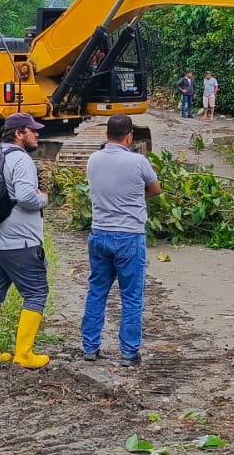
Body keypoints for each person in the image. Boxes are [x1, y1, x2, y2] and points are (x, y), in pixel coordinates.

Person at [81, 115, 162, 367]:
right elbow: (155, 189)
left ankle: (90, 347)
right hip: (129, 236)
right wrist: (134, 196)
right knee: (131, 296)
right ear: (129, 136)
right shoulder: (138, 161)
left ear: (106, 134)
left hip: (99, 233)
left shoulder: (93, 159)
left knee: (97, 291)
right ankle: (129, 352)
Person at [0, 112, 53, 368]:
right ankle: (24, 355)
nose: (37, 134)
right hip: (19, 242)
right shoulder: (21, 160)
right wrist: (43, 198)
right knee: (36, 293)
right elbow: (25, 197)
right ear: (19, 134)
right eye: (32, 130)